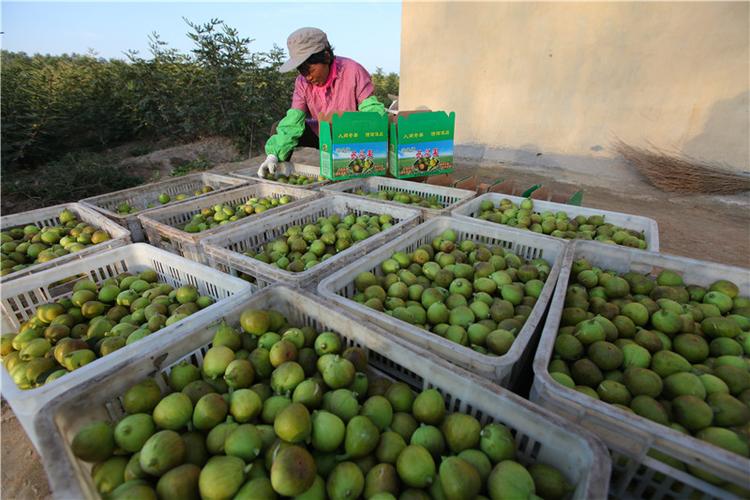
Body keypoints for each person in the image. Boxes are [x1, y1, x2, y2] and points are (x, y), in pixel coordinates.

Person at [258, 27, 386, 176]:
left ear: (326, 57)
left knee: (346, 172)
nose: (307, 77)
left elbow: (372, 112)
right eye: (301, 71)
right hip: (321, 133)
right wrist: (272, 155)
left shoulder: (353, 71)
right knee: (278, 127)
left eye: (310, 70)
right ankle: (279, 171)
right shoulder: (302, 83)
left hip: (350, 135)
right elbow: (293, 120)